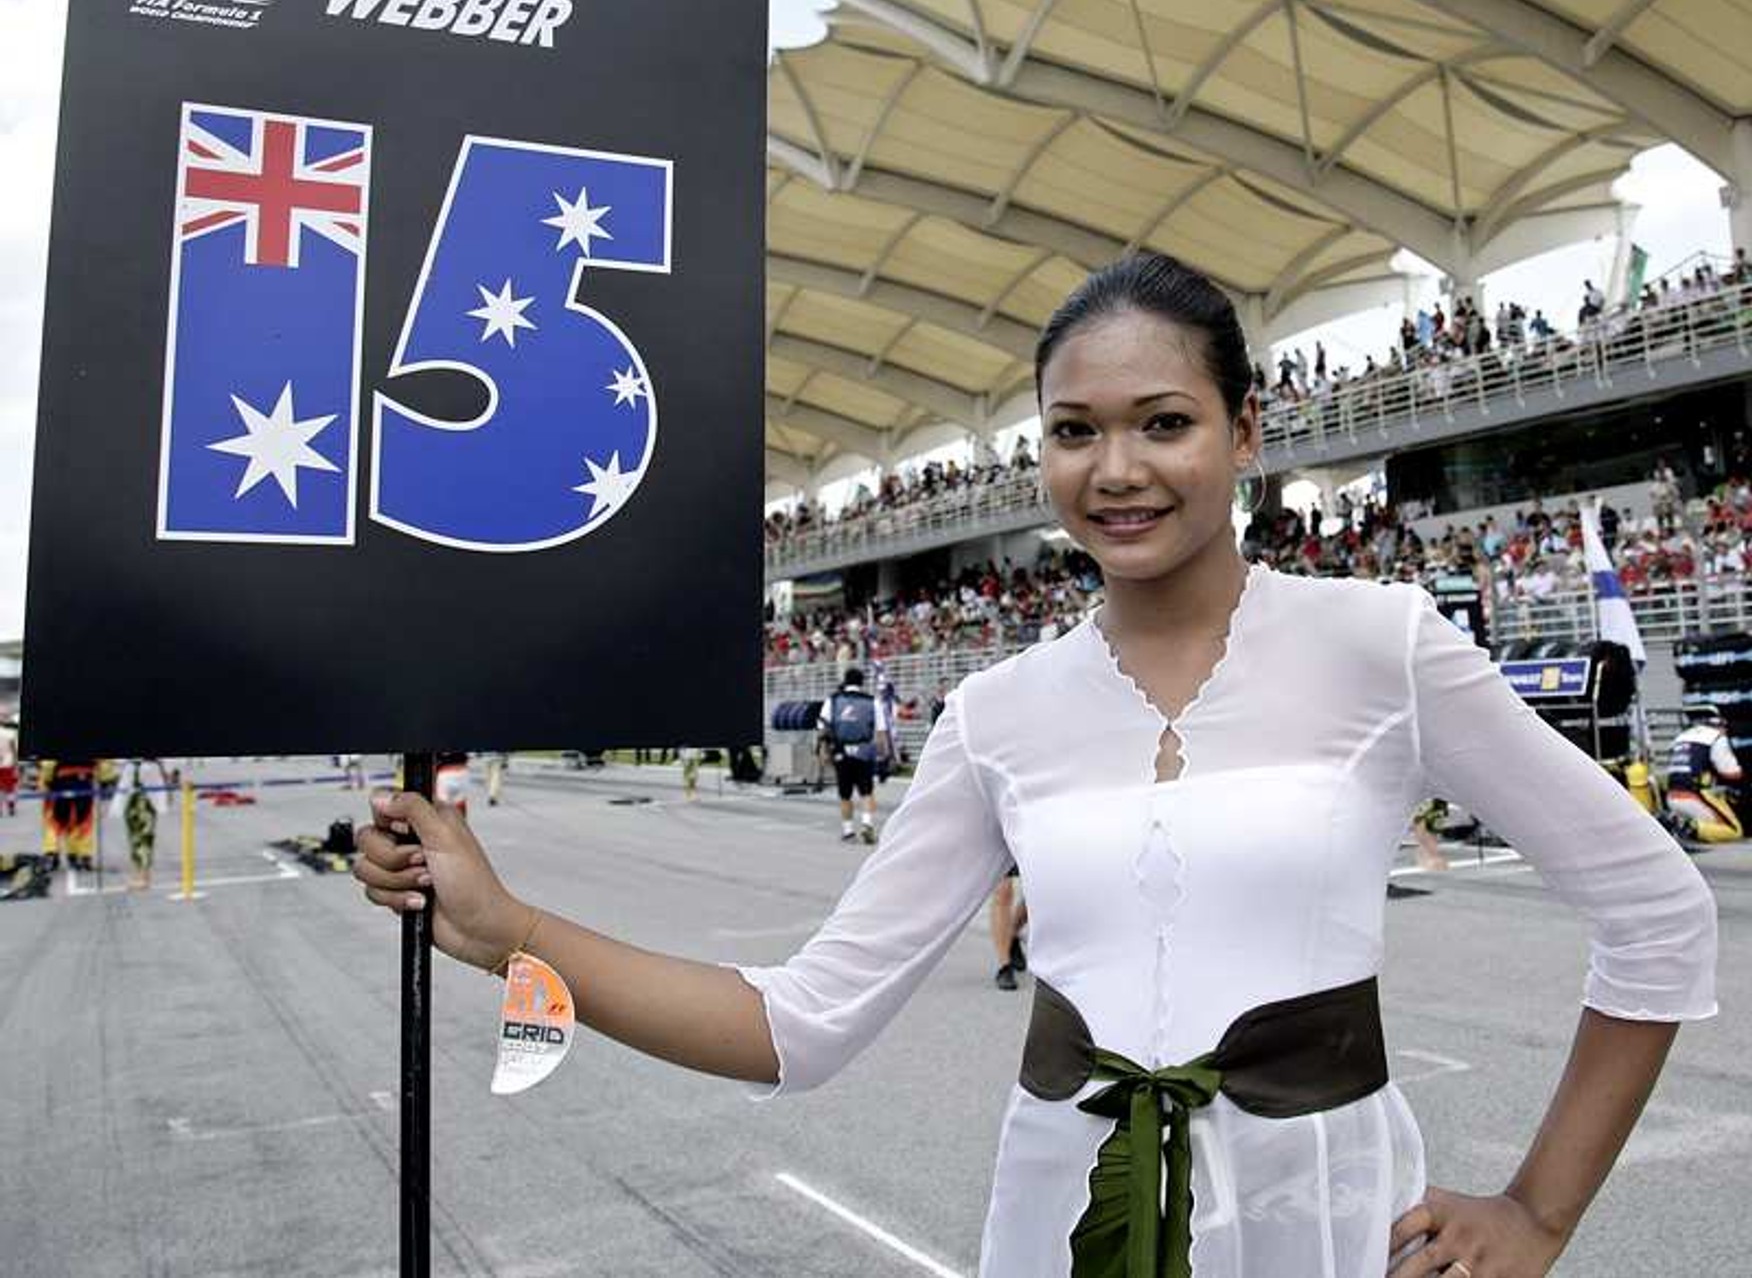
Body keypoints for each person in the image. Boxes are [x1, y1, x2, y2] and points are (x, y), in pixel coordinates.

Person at [355, 252, 1716, 1278]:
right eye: (1075, 431)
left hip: (1333, 1216)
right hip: (1065, 1211)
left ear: (1247, 430)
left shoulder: (1382, 640)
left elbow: (1656, 913)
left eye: (1163, 423)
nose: (1115, 470)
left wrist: (1541, 1212)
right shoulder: (997, 710)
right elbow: (801, 1026)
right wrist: (508, 931)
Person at [815, 665, 883, 843]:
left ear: (845, 682)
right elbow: (881, 731)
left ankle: (848, 831)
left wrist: (823, 751)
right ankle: (867, 823)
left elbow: (822, 727)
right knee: (866, 790)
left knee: (845, 793)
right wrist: (882, 753)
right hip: (864, 751)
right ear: (862, 682)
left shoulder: (834, 700)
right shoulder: (872, 701)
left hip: (841, 750)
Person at [111, 758, 172, 891]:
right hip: (132, 804)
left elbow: (163, 779)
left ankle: (144, 877)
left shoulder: (151, 765)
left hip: (145, 804)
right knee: (135, 839)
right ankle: (138, 875)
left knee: (144, 839)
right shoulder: (132, 765)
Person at [0, 714, 17, 817]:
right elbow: (13, 750)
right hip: (7, 763)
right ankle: (11, 807)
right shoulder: (10, 733)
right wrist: (16, 763)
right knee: (9, 787)